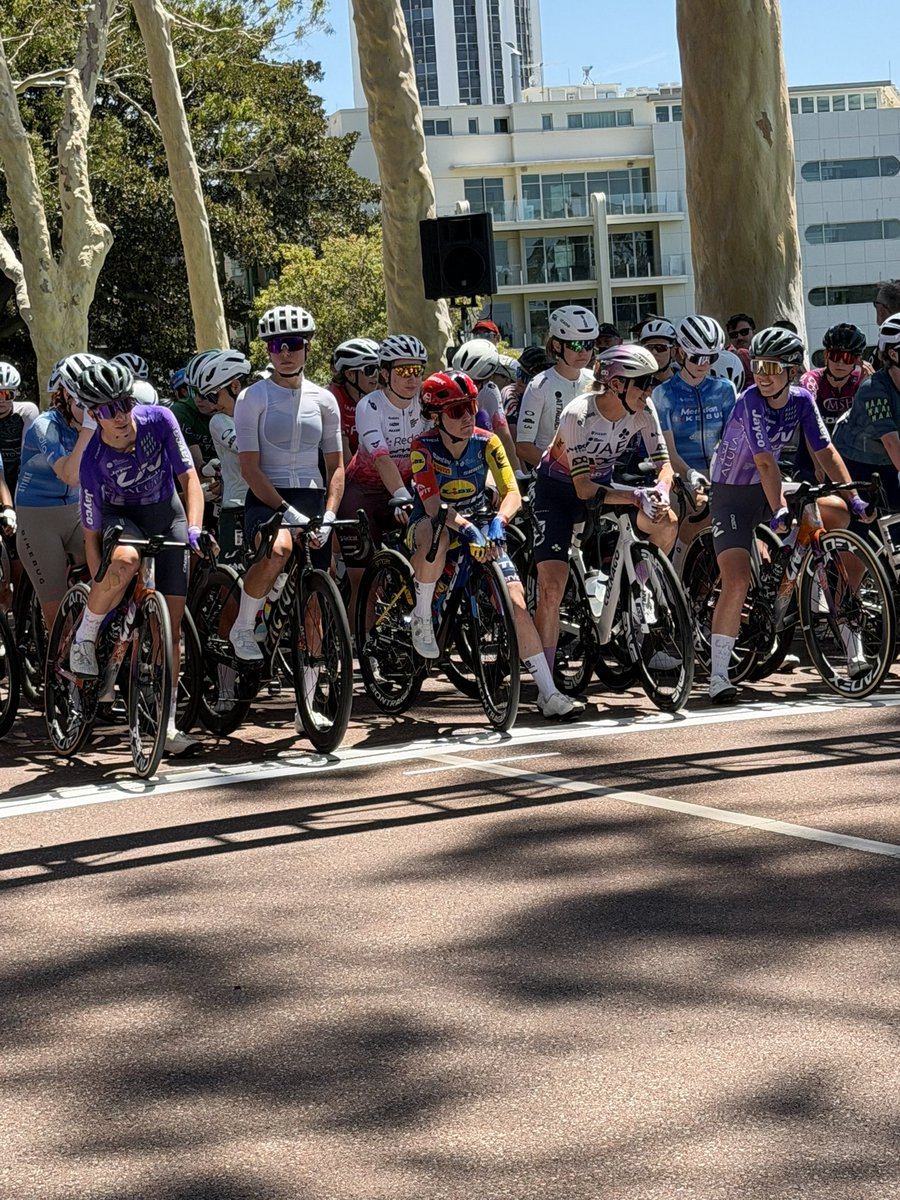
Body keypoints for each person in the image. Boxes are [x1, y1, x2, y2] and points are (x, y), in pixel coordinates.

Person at [407, 370, 585, 721]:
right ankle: (422, 614)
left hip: (482, 521)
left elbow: (512, 493)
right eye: (456, 411)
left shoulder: (487, 441)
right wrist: (468, 528)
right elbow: (432, 507)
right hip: (436, 522)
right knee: (436, 533)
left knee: (516, 599)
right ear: (435, 416)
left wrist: (499, 523)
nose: (467, 416)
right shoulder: (422, 447)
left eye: (470, 406)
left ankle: (548, 694)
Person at [707, 327, 871, 704]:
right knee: (736, 579)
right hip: (732, 493)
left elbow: (826, 452)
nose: (761, 374)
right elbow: (764, 463)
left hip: (772, 486)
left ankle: (853, 648)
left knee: (833, 515)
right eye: (757, 366)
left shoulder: (800, 400)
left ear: (792, 371)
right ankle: (718, 675)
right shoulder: (750, 400)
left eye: (771, 367)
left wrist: (854, 497)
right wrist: (780, 508)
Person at [69, 361, 207, 756]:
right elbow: (91, 533)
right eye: (110, 410)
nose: (122, 416)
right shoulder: (93, 458)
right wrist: (100, 579)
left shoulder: (159, 420)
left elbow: (189, 479)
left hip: (166, 511)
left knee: (173, 628)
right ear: (94, 414)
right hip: (119, 518)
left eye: (125, 403)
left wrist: (195, 527)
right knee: (125, 561)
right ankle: (87, 633)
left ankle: (168, 725)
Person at [531, 344, 677, 675]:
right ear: (616, 384)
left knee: (666, 520)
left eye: (651, 382)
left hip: (605, 488)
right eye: (642, 382)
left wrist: (661, 490)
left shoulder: (643, 408)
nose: (648, 390)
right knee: (552, 585)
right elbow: (583, 489)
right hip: (559, 492)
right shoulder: (577, 414)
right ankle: (547, 680)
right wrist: (635, 495)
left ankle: (641, 585)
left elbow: (664, 466)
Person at [229, 305, 343, 689]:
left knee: (316, 599)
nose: (285, 352)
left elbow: (336, 466)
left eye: (293, 343)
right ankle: (244, 626)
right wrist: (283, 509)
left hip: (312, 498)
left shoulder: (324, 400)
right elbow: (249, 468)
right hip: (268, 497)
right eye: (276, 345)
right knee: (278, 550)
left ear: (307, 347)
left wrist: (328, 515)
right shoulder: (252, 398)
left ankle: (309, 696)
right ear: (267, 351)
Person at [336, 334, 430, 627]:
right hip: (362, 494)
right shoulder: (370, 406)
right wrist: (403, 493)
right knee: (363, 581)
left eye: (417, 370)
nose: (412, 378)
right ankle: (360, 650)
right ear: (385, 373)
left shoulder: (424, 404)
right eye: (403, 371)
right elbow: (381, 458)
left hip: (403, 491)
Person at [14, 353, 104, 629]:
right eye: (82, 401)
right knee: (57, 617)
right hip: (39, 518)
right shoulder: (45, 425)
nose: (89, 409)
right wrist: (90, 429)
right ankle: (52, 668)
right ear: (64, 394)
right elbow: (69, 474)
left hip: (77, 512)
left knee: (117, 568)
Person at [653, 315, 736, 492]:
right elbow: (668, 451)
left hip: (722, 475)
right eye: (698, 358)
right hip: (682, 477)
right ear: (681, 353)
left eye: (711, 358)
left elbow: (732, 439)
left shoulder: (725, 389)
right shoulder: (663, 394)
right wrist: (690, 473)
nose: (705, 364)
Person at [185, 349, 252, 563]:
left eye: (214, 396)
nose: (212, 404)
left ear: (234, 386)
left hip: (263, 502)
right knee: (234, 579)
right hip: (236, 506)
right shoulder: (219, 421)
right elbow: (245, 447)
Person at [516, 306, 598, 469]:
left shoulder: (596, 380)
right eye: (576, 345)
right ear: (557, 345)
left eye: (588, 344)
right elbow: (524, 447)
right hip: (553, 475)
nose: (583, 352)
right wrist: (563, 469)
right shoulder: (539, 385)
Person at [832, 314, 900, 510]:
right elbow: (890, 441)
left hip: (887, 461)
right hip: (858, 465)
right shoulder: (873, 389)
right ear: (893, 355)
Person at [794, 324, 868, 482]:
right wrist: (819, 465)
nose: (840, 363)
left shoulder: (862, 381)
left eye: (847, 358)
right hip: (812, 460)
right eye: (835, 355)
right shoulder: (811, 380)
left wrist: (870, 385)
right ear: (826, 355)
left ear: (857, 360)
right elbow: (809, 426)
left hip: (851, 459)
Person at [451, 339, 520, 471]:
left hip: (477, 457)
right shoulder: (440, 387)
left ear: (487, 379)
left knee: (482, 417)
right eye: (460, 381)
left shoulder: (490, 391)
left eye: (474, 383)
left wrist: (517, 474)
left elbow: (504, 437)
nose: (467, 388)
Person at [329, 338, 381, 464]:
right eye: (370, 369)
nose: (376, 375)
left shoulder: (381, 390)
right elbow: (344, 460)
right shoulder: (333, 398)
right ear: (350, 374)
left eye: (379, 368)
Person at [499, 347, 553, 442]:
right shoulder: (510, 393)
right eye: (519, 373)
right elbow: (513, 438)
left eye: (525, 378)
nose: (519, 380)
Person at [639, 318, 678, 385]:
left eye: (661, 347)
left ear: (673, 351)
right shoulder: (638, 385)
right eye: (649, 347)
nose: (654, 352)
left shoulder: (686, 382)